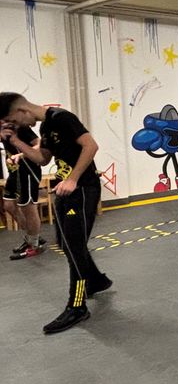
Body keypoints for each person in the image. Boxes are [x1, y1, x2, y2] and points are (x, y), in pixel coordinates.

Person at [0, 94, 111, 334]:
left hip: (82, 190)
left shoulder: (63, 118)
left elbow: (91, 146)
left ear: (21, 110)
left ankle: (77, 305)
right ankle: (96, 280)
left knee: (74, 248)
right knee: (66, 242)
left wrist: (73, 179)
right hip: (64, 191)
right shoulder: (47, 126)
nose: (16, 125)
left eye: (12, 120)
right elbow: (42, 159)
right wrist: (17, 142)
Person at [2, 120, 47, 258]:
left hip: (28, 169)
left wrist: (20, 155)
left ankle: (34, 245)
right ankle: (32, 237)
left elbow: (40, 145)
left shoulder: (20, 127)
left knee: (28, 207)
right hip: (15, 172)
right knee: (9, 205)